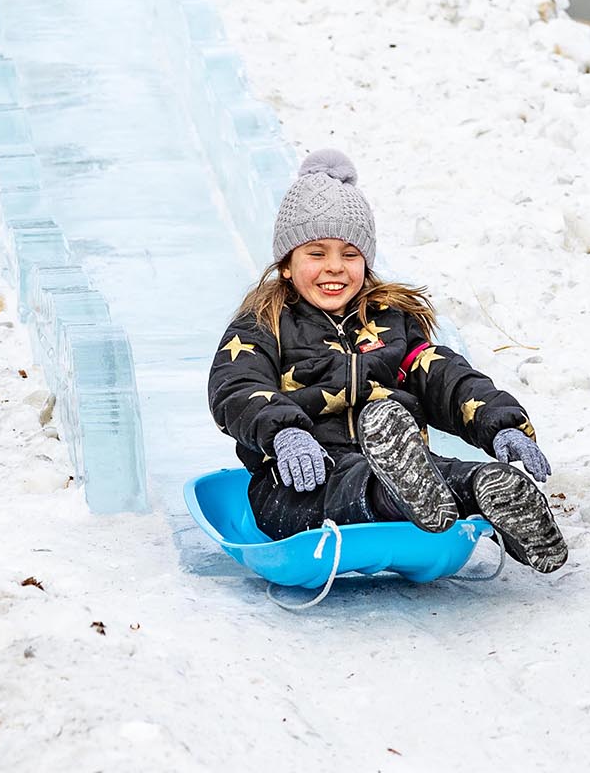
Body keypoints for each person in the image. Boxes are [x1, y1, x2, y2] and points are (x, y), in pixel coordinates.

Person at [207, 149, 569, 574]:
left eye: (350, 254)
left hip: (405, 459)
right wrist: (284, 431)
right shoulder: (264, 324)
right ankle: (398, 493)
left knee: (448, 474)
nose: (335, 268)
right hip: (301, 481)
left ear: (367, 260)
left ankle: (499, 500)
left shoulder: (390, 323)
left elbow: (445, 376)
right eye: (317, 253)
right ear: (287, 264)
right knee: (352, 483)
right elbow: (237, 385)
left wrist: (501, 422)